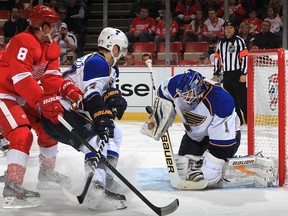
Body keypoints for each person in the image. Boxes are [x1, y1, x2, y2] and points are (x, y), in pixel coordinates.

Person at [0, 5, 83, 208]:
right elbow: (21, 80)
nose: (56, 29)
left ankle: (46, 173)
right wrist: (43, 100)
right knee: (22, 134)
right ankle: (12, 185)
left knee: (48, 126)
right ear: (44, 27)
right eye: (53, 26)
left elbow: (52, 79)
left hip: (21, 96)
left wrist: (67, 90)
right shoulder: (23, 42)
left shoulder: (50, 47)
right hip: (4, 94)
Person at [40, 27, 129, 209]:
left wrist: (114, 98)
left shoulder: (101, 64)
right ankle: (96, 189)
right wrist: (101, 117)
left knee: (115, 134)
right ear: (113, 47)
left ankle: (107, 178)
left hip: (66, 111)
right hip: (59, 112)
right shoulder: (99, 62)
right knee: (96, 140)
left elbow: (99, 91)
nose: (123, 54)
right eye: (121, 49)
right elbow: (92, 93)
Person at [157, 69, 241, 187]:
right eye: (183, 94)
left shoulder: (221, 100)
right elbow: (163, 92)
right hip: (195, 136)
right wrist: (162, 112)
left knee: (209, 177)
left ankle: (235, 166)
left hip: (224, 140)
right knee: (181, 170)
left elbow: (222, 145)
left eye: (189, 94)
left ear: (199, 88)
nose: (185, 98)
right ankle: (201, 161)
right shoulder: (173, 85)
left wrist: (208, 162)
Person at [212, 20, 248, 125]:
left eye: (231, 28)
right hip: (227, 74)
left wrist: (244, 73)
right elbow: (217, 58)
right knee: (231, 99)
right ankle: (238, 121)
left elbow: (244, 57)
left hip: (238, 73)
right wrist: (216, 72)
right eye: (227, 28)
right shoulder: (220, 42)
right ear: (224, 29)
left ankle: (249, 120)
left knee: (242, 99)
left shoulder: (239, 41)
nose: (229, 30)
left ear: (234, 29)